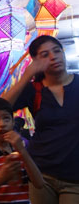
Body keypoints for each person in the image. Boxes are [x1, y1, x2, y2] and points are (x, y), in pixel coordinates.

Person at [4, 35, 79, 203]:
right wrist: (26, 76)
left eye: (57, 51)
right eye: (45, 55)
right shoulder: (34, 90)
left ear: (64, 54)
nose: (53, 57)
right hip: (41, 173)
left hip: (75, 176)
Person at [0, 97, 44, 203]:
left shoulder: (21, 151)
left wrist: (22, 151)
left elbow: (39, 183)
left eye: (6, 118)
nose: (2, 124)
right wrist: (2, 177)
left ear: (12, 121)